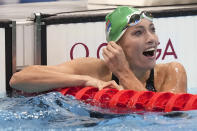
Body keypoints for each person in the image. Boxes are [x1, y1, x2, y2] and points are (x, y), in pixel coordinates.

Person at [9, 6, 187, 94]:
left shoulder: (172, 72)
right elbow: (19, 79)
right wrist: (86, 81)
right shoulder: (96, 71)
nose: (152, 39)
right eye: (138, 33)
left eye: (152, 30)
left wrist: (123, 73)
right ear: (116, 46)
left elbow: (161, 117)